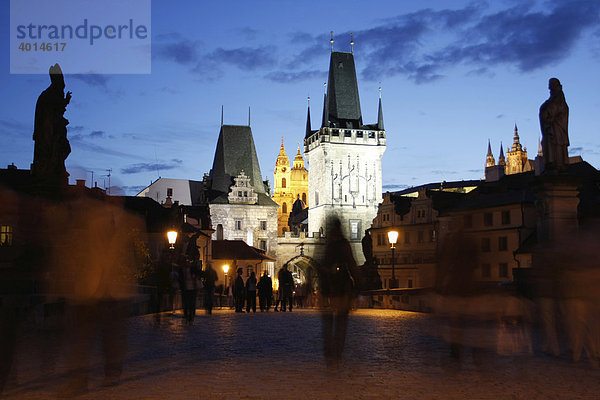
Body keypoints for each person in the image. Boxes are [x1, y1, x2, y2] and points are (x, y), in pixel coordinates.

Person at [318, 216, 357, 367]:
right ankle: (336, 355)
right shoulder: (343, 244)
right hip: (340, 289)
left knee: (329, 325)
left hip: (328, 290)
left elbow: (316, 264)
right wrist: (359, 284)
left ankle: (330, 354)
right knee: (340, 324)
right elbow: (352, 265)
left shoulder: (325, 244)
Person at [539, 77, 569, 172]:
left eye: (551, 85)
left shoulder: (558, 97)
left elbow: (554, 109)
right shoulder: (554, 98)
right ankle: (554, 164)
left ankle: (558, 164)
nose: (549, 88)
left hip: (556, 127)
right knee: (553, 145)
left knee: (557, 145)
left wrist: (546, 113)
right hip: (552, 127)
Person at [178, 259, 199, 324]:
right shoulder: (182, 270)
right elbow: (180, 279)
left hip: (192, 289)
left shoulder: (193, 270)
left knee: (191, 304)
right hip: (185, 289)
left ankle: (190, 317)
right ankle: (187, 316)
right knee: (186, 304)